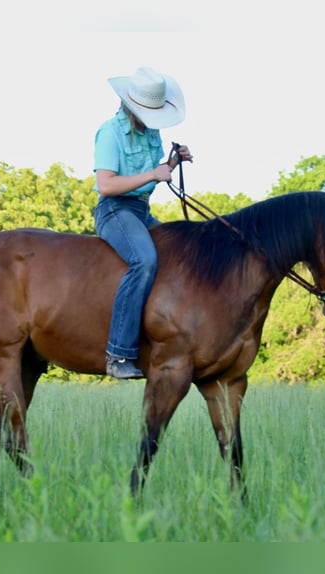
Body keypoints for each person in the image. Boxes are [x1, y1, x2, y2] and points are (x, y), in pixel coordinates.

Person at [93, 67, 193, 379]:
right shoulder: (109, 133)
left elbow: (153, 175)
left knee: (180, 253)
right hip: (114, 210)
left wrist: (172, 163)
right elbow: (106, 185)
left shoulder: (151, 133)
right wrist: (153, 174)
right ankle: (118, 354)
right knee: (145, 260)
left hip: (141, 210)